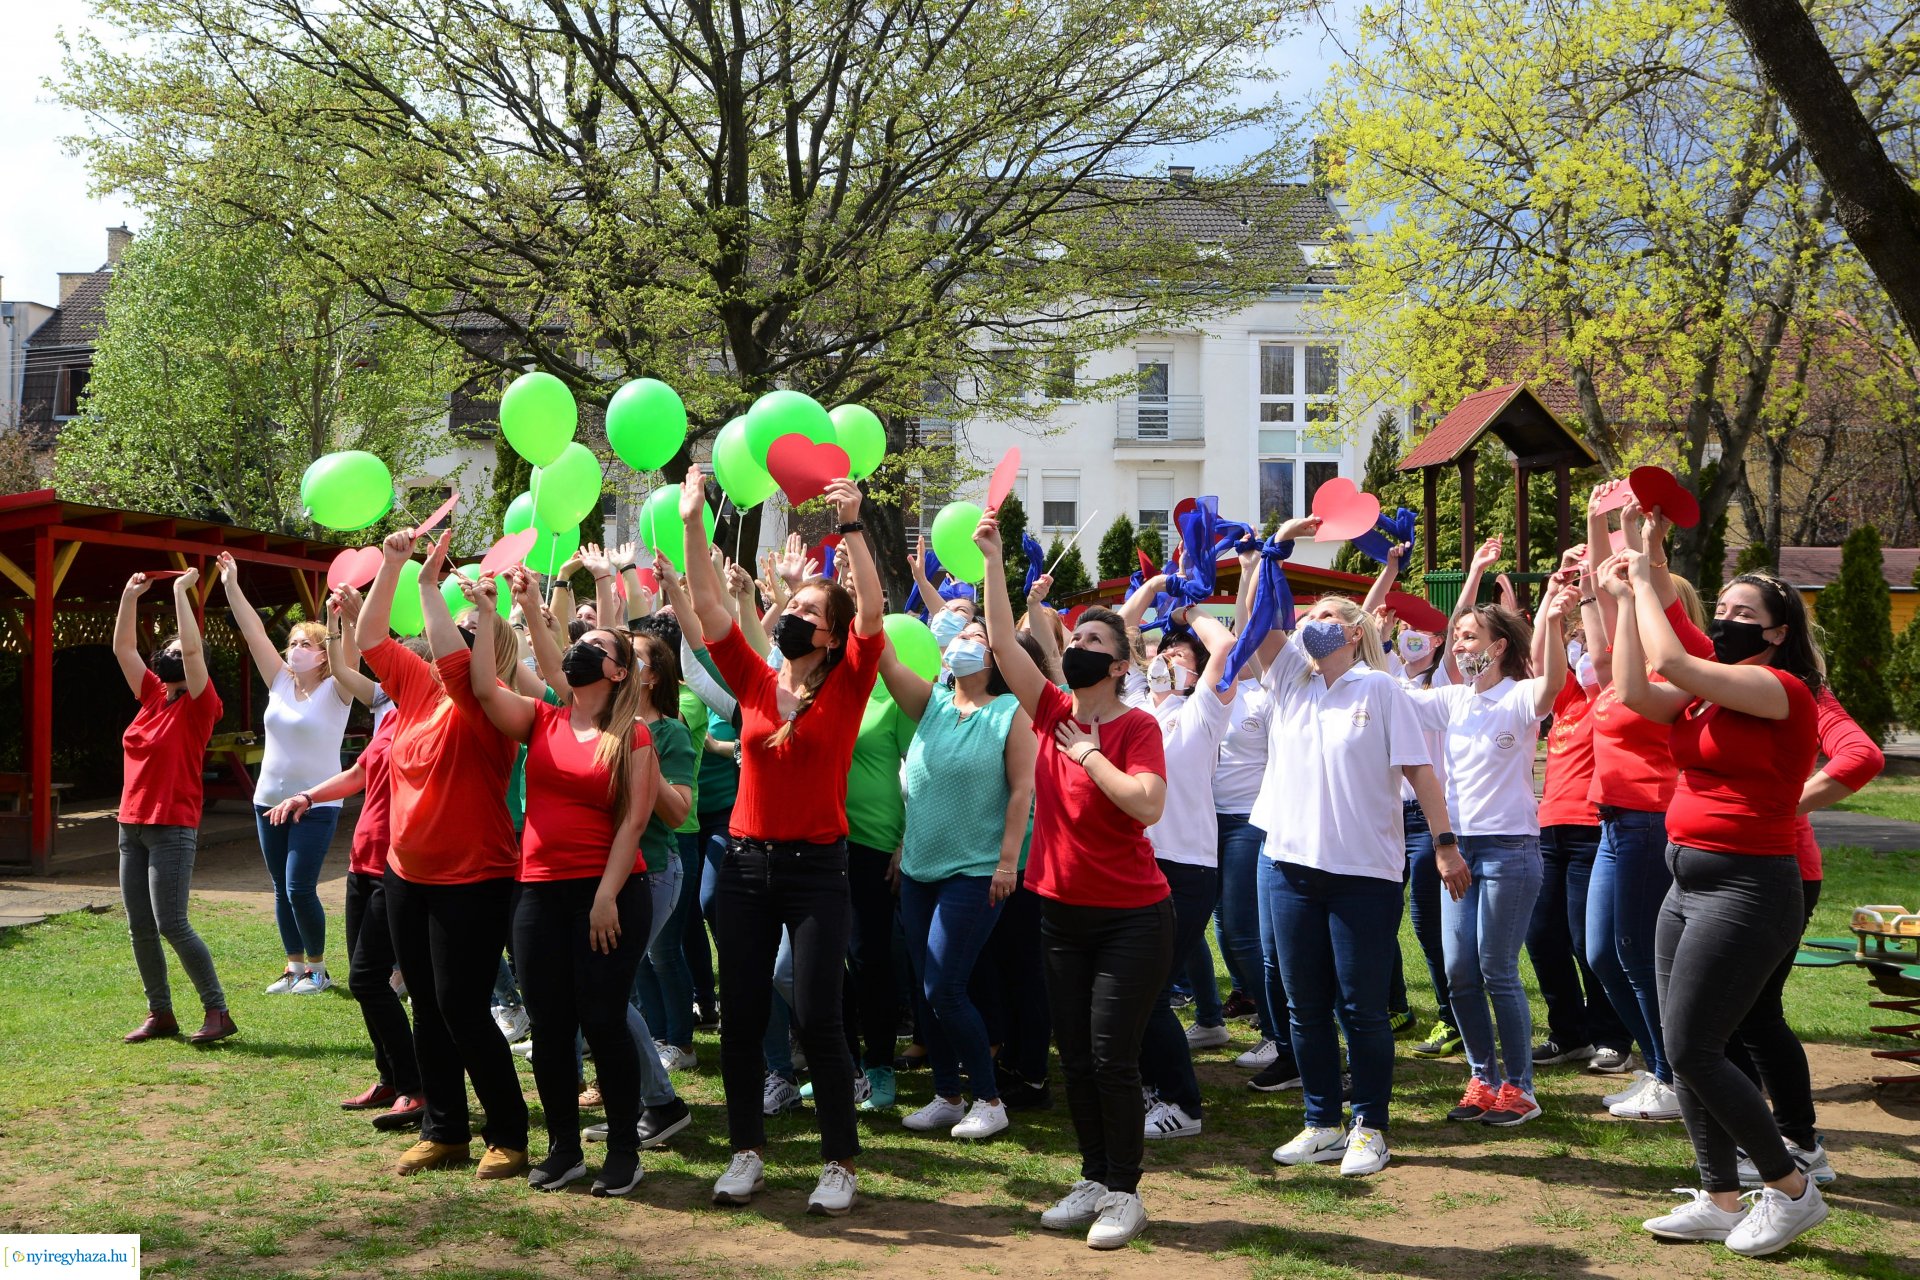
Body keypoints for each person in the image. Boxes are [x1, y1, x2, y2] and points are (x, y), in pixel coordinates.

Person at [674, 465, 883, 1218]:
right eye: (790, 606)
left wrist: (851, 527)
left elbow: (872, 614)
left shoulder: (849, 681)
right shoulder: (758, 684)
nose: (790, 616)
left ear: (830, 633)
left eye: (806, 610)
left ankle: (839, 1163)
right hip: (744, 867)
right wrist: (693, 521)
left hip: (817, 870)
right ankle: (746, 1154)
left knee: (818, 1017)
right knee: (741, 1014)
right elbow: (707, 608)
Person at [1606, 554, 1829, 1256]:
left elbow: (1672, 658)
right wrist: (1623, 601)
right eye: (1722, 609)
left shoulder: (1778, 687)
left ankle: (1792, 1189)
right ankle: (1720, 1199)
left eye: (1743, 614)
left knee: (1695, 1050)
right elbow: (1634, 690)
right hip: (1686, 885)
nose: (1727, 621)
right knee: (1685, 1050)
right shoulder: (1708, 696)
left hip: (1748, 889)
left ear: (1777, 633)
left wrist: (1645, 583)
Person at [975, 514, 1169, 1250]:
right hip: (1060, 914)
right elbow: (1004, 644)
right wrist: (994, 560)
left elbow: (1146, 804)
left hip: (1131, 918)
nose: (1079, 646)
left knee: (1113, 1057)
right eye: (1076, 637)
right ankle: (1093, 1177)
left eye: (1094, 642)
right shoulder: (1051, 708)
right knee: (1078, 1058)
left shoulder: (1137, 728)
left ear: (1119, 666)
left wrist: (1089, 755)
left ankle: (1125, 1192)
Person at [1253, 568, 1462, 1179]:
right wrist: (1268, 557)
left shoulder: (1380, 688)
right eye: (1308, 616)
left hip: (1364, 873)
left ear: (1354, 632)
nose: (1312, 625)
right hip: (1289, 868)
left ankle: (1370, 1124)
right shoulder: (1289, 681)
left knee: (1362, 1007)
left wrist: (1445, 844)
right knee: (1304, 1006)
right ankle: (1322, 1122)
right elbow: (1259, 623)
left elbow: (1420, 772)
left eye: (1327, 617)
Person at [463, 570, 662, 1197]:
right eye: (578, 644)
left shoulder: (632, 734)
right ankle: (565, 1149)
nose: (579, 650)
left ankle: (624, 1151)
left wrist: (605, 897)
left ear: (619, 672)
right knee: (550, 1028)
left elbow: (635, 821)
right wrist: (493, 614)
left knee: (602, 1020)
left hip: (609, 896)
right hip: (537, 893)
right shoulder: (543, 720)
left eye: (595, 647)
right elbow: (484, 687)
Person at [355, 530, 527, 1180]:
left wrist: (431, 587)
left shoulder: (491, 706)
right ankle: (446, 1131)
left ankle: (508, 1134)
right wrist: (394, 566)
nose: (454, 636)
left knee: (462, 1009)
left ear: (492, 652)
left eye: (470, 631)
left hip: (473, 878)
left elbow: (458, 665)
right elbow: (372, 640)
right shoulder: (419, 690)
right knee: (426, 1008)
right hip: (408, 876)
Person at [1409, 584, 1574, 1128]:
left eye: (1470, 636)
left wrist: (1551, 619)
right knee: (1459, 969)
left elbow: (1553, 683)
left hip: (1510, 849)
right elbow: (1392, 700)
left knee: (1496, 968)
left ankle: (1520, 1090)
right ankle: (1482, 1078)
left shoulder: (1520, 697)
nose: (1459, 645)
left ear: (1499, 646)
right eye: (1456, 637)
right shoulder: (1452, 699)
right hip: (1457, 851)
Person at [880, 614, 1038, 1141]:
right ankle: (947, 1096)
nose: (961, 643)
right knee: (928, 987)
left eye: (975, 638)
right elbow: (884, 658)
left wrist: (1007, 862)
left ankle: (989, 1100)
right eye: (960, 636)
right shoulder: (933, 703)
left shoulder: (1011, 712)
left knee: (945, 986)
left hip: (976, 870)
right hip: (920, 868)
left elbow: (1022, 790)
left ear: (996, 658)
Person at [1580, 497, 1714, 1118]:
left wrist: (1639, 559)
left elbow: (1632, 596)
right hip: (1612, 822)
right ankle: (1663, 1067)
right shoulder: (1620, 670)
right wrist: (1608, 523)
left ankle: (1674, 1076)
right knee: (1603, 953)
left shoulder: (1681, 675)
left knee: (1635, 952)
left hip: (1649, 819)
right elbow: (1605, 592)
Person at [265, 616, 424, 1133]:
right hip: (363, 859)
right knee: (365, 978)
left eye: (395, 667)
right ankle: (390, 1077)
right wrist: (308, 796)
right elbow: (358, 773)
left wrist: (345, 625)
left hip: (398, 864)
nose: (385, 676)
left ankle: (416, 1085)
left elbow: (342, 666)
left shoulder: (433, 718)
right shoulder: (390, 714)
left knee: (369, 979)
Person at [1728, 683, 1881, 1189]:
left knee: (1754, 1011)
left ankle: (1798, 1143)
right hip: (1721, 864)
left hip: (1780, 865)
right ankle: (1757, 1134)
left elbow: (1861, 755)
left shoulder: (1803, 688)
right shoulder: (1710, 680)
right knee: (1730, 1013)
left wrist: (1780, 806)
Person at [1113, 584, 1238, 1143]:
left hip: (1186, 868)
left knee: (1153, 988)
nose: (1167, 658)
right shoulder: (1135, 706)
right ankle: (1148, 1085)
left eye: (1179, 655)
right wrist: (1155, 587)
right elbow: (1116, 628)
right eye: (1162, 651)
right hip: (1133, 863)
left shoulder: (1201, 712)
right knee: (1131, 987)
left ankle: (1183, 1104)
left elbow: (1224, 644)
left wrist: (1188, 609)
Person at [218, 552, 372, 995]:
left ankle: (318, 970)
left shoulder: (338, 688)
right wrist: (231, 584)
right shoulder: (280, 680)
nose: (296, 650)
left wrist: (337, 620)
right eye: (293, 643)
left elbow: (352, 653)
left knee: (299, 886)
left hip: (317, 803)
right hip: (268, 800)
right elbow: (253, 631)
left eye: (306, 644)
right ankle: (293, 967)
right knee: (280, 888)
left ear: (324, 654)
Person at [113, 568, 236, 1046]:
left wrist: (182, 593)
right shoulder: (151, 695)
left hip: (172, 826)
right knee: (140, 927)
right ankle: (160, 1013)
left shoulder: (202, 704)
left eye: (178, 652)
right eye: (167, 651)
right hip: (131, 825)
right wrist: (130, 597)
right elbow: (124, 649)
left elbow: (193, 652)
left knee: (172, 923)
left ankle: (217, 1011)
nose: (172, 656)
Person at [1527, 547, 1631, 1073]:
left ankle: (1611, 1034)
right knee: (1541, 936)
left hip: (1593, 829)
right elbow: (1539, 662)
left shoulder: (1613, 697)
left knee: (1585, 939)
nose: (1582, 655)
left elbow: (1606, 653)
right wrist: (1550, 603)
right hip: (1549, 828)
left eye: (1589, 648)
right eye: (1578, 648)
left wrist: (1592, 589)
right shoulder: (1567, 700)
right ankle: (1568, 1034)